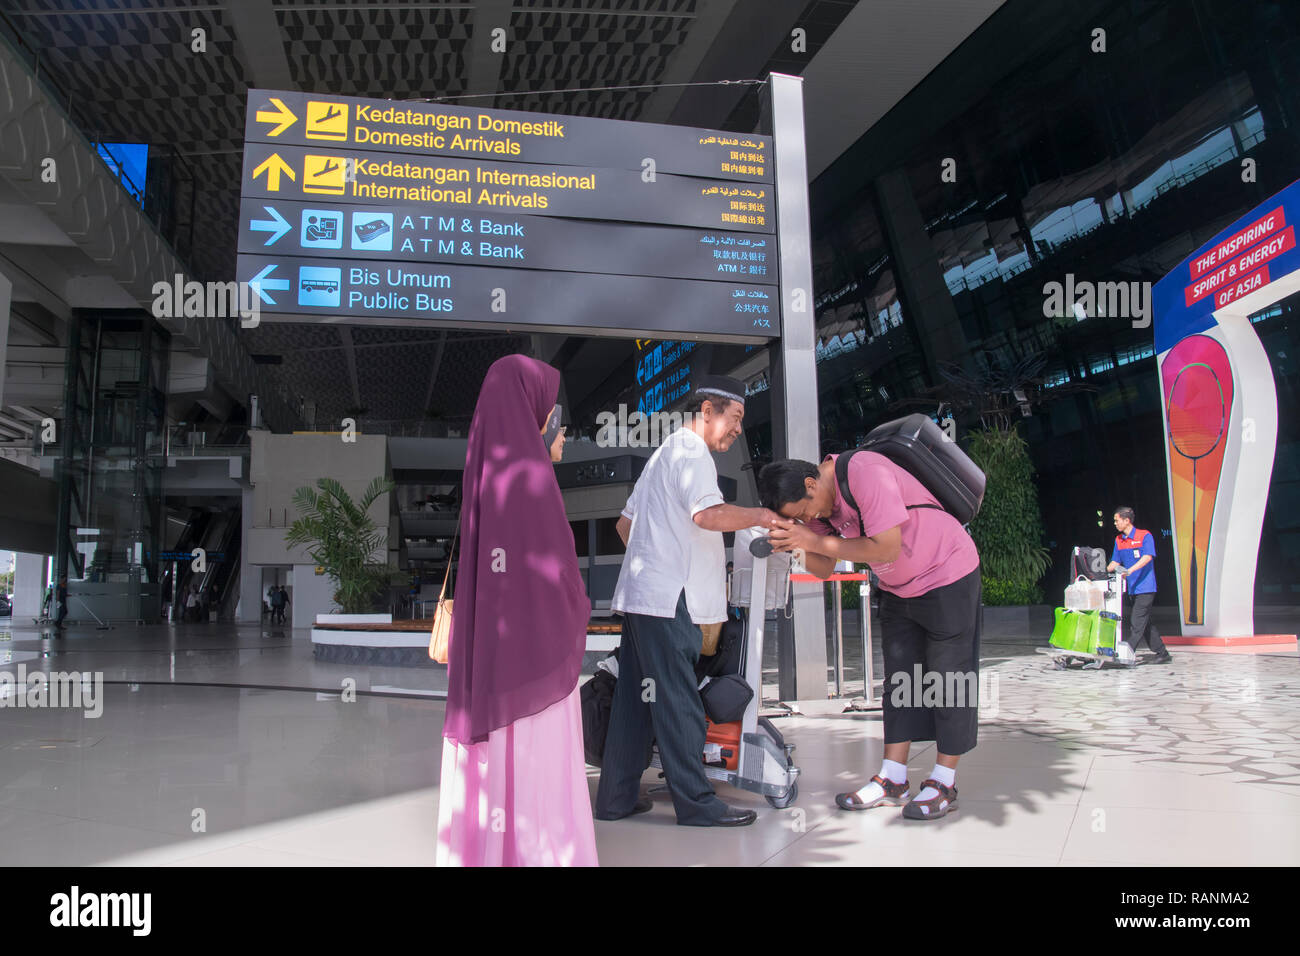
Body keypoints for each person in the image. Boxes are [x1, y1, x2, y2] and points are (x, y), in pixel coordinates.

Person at [595, 375, 783, 828]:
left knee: (634, 699)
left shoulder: (664, 453)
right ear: (707, 412)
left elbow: (624, 527)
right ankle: (698, 804)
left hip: (644, 595)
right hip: (670, 598)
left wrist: (658, 551)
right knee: (679, 698)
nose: (738, 429)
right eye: (734, 418)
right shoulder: (694, 451)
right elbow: (708, 514)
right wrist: (760, 515)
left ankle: (615, 798)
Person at [758, 452, 981, 821]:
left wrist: (810, 540)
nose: (807, 520)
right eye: (797, 518)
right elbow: (825, 567)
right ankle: (893, 779)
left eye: (804, 511)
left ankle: (944, 781)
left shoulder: (865, 472)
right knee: (899, 683)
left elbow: (885, 546)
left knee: (948, 678)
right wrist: (794, 544)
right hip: (897, 587)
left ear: (811, 484)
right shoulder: (814, 509)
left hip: (947, 573)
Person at [437, 354, 596, 866]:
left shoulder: (489, 475)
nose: (563, 433)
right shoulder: (533, 486)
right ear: (536, 417)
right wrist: (580, 606)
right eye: (556, 418)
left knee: (500, 768)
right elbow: (556, 583)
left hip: (495, 673)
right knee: (536, 765)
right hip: (536, 679)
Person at [1107, 507, 1171, 664]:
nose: (1115, 523)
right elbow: (1115, 562)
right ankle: (1162, 653)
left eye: (1117, 520)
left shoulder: (1145, 536)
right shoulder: (1119, 540)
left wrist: (1130, 570)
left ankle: (1126, 652)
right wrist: (1102, 570)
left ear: (1127, 520)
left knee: (1137, 621)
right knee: (1145, 623)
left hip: (1146, 587)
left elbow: (1148, 557)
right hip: (1132, 588)